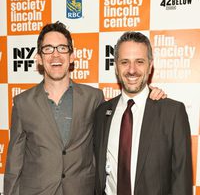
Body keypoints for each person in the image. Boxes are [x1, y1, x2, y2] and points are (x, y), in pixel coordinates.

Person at [4, 22, 166, 195]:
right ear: (39, 58)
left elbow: (122, 112)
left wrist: (149, 95)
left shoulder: (93, 98)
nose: (56, 55)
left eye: (62, 48)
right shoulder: (23, 103)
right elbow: (14, 163)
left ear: (72, 56)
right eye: (48, 49)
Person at [93, 31, 193, 195]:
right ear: (116, 66)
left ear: (150, 65)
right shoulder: (102, 113)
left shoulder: (172, 113)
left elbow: (181, 179)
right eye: (125, 62)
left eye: (139, 62)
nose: (132, 70)